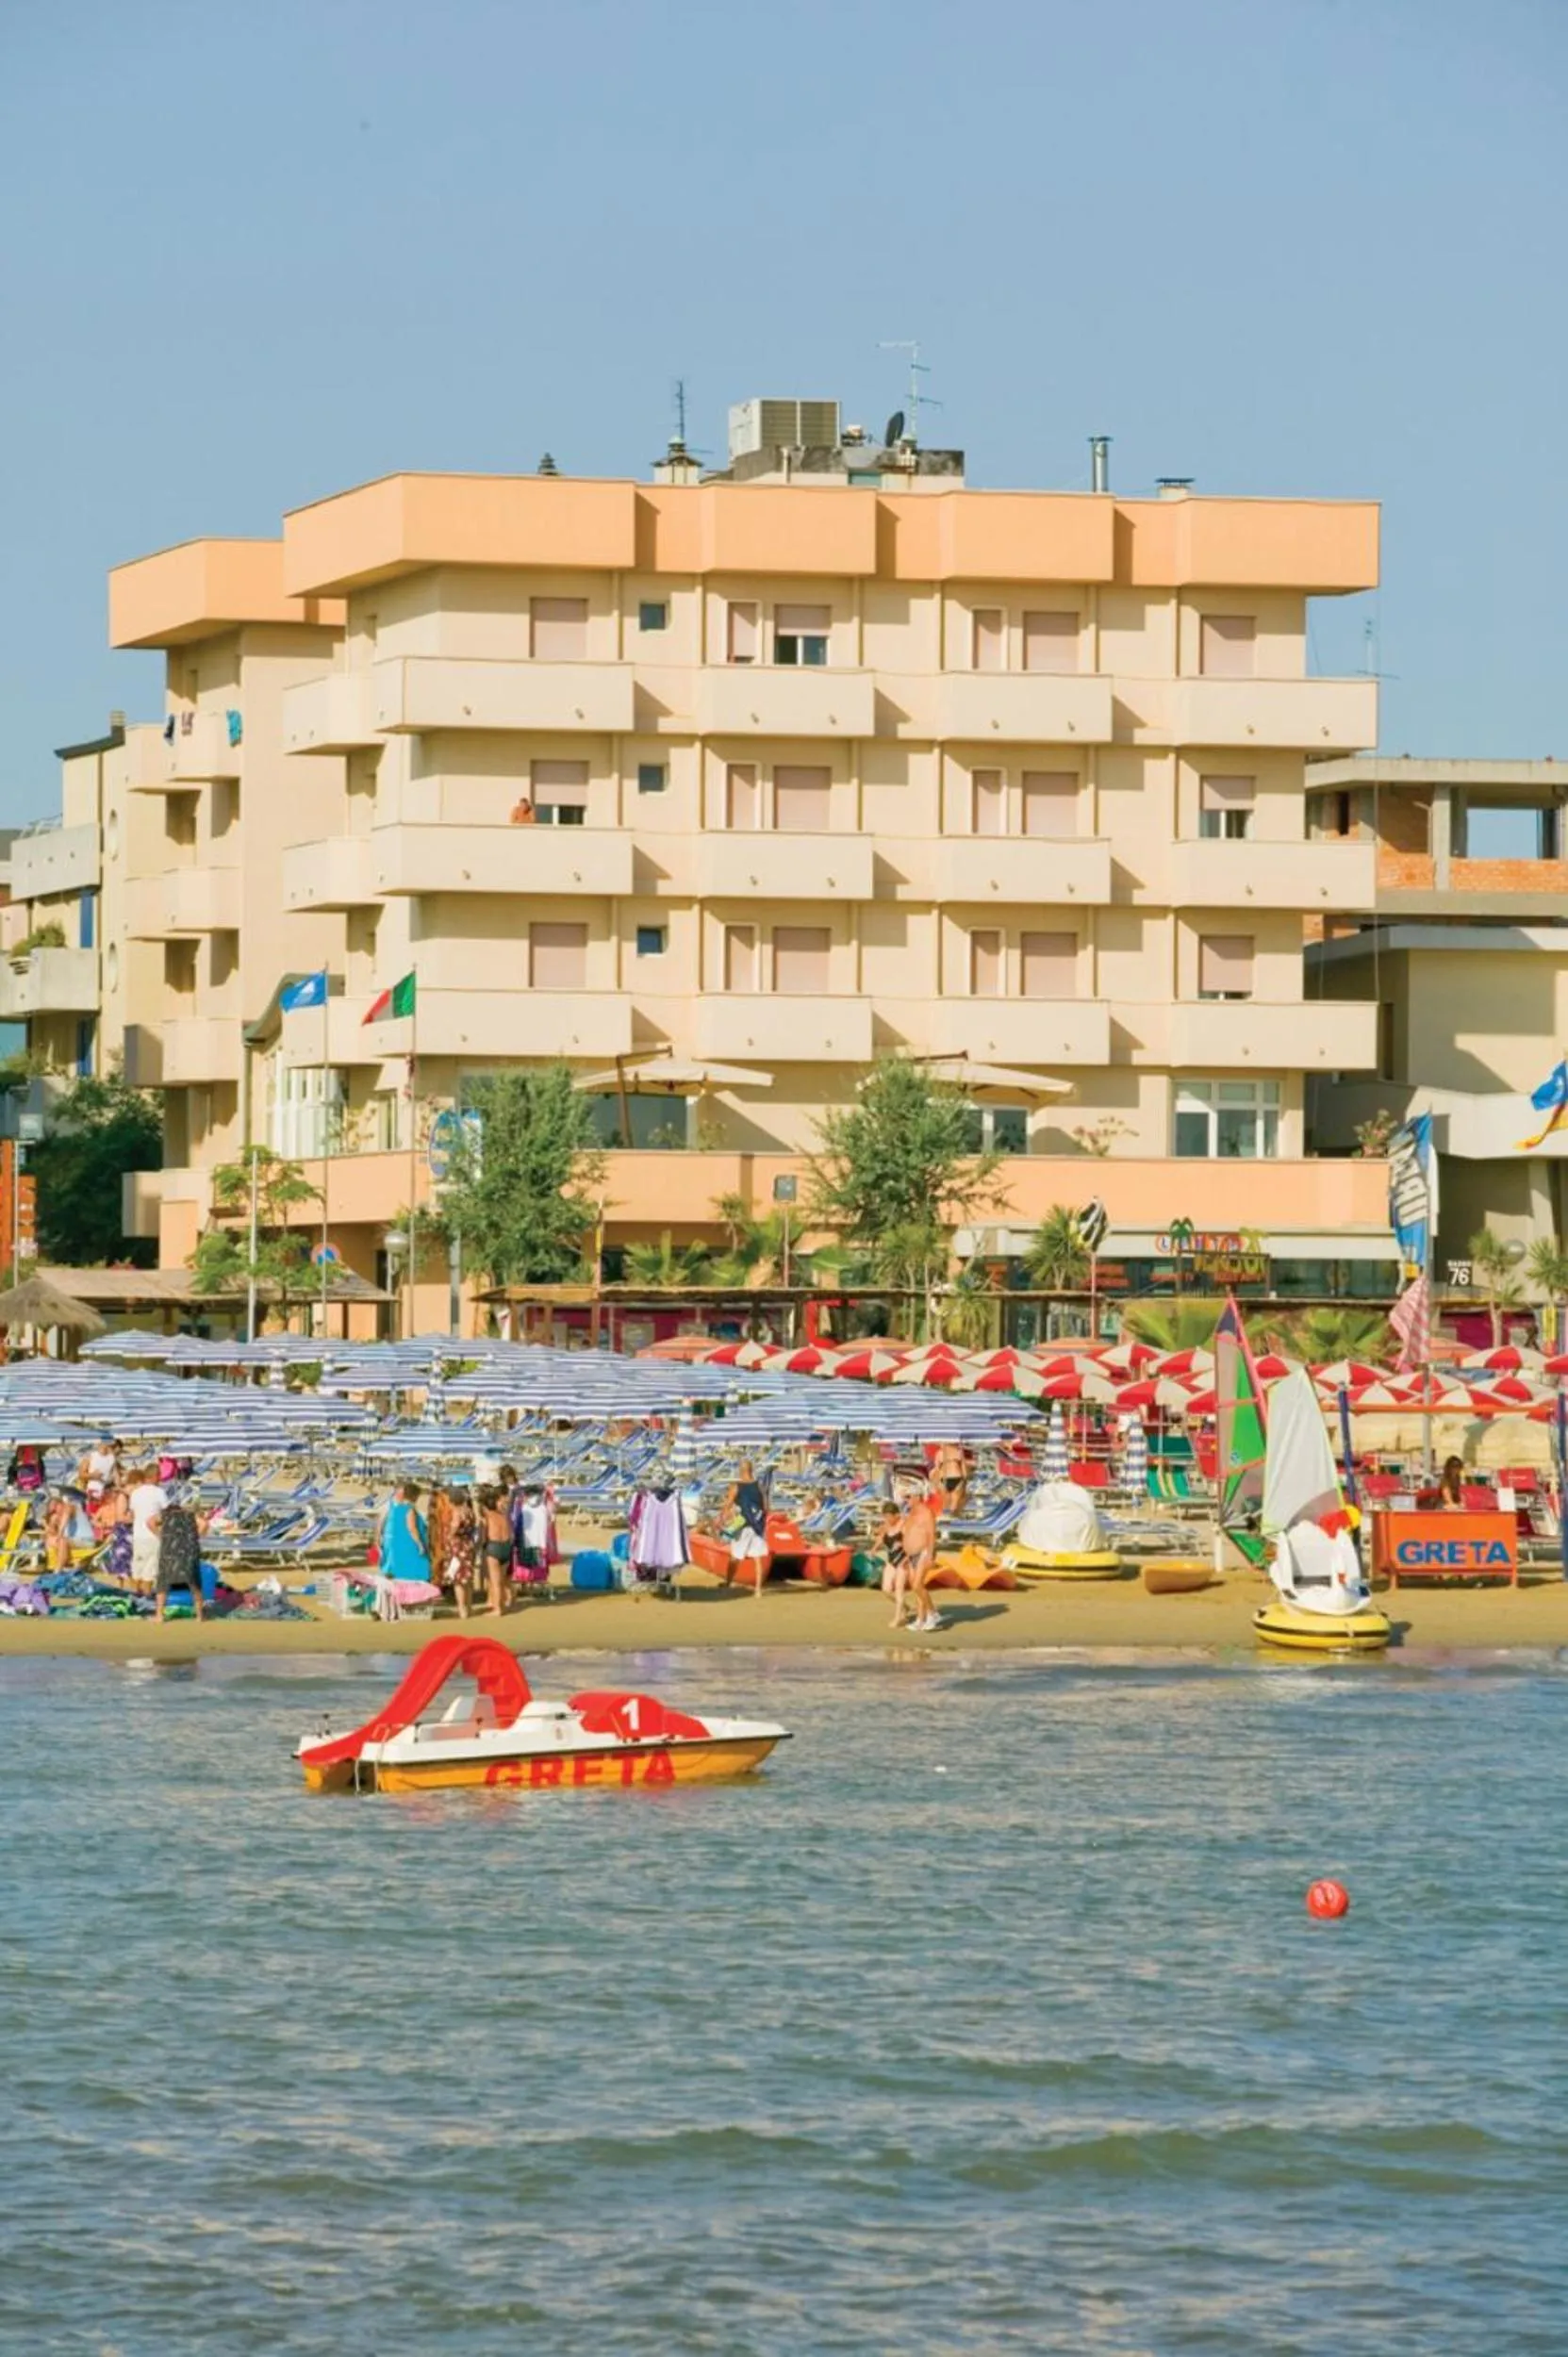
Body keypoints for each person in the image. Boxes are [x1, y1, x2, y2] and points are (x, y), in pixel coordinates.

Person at [154, 1496, 206, 1624]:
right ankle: (199, 1616)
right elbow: (204, 1524)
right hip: (188, 1550)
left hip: (169, 1550)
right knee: (193, 1582)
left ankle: (159, 1616)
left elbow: (149, 1522)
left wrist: (160, 1535)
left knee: (163, 1582)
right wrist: (195, 1536)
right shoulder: (189, 1515)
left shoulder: (165, 1515)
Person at [900, 1485, 943, 1635]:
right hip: (911, 1555)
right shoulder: (911, 1512)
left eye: (909, 1497)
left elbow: (931, 1535)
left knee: (917, 1585)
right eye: (906, 1497)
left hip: (924, 1552)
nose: (906, 1500)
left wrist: (930, 1554)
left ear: (918, 1497)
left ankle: (933, 1614)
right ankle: (920, 1619)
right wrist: (906, 1555)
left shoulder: (926, 1512)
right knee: (916, 1588)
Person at [721, 1458, 769, 1592]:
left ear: (740, 1470)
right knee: (757, 1558)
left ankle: (728, 1582)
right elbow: (765, 1507)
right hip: (758, 1525)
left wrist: (722, 1520)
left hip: (743, 1525)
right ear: (751, 1470)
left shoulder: (736, 1486)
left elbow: (727, 1505)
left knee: (735, 1557)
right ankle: (758, 1589)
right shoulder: (759, 1486)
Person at [378, 1481, 430, 1586]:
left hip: (397, 1541)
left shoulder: (395, 1507)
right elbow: (412, 1528)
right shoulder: (409, 1509)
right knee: (418, 1566)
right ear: (414, 1496)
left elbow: (381, 1523)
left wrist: (378, 1538)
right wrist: (420, 1544)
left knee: (399, 1568)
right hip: (408, 1542)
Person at [128, 1465, 168, 1595]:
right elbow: (166, 1513)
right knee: (150, 1572)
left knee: (137, 1569)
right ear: (155, 1476)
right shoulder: (159, 1492)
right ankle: (146, 1597)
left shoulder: (135, 1493)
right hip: (153, 1536)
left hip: (138, 1535)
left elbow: (133, 1514)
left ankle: (134, 1596)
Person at [479, 1486, 511, 1617]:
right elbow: (510, 1533)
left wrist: (481, 1547)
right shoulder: (503, 1516)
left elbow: (483, 1537)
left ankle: (498, 1609)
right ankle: (501, 1604)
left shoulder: (487, 1517)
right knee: (502, 1580)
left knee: (495, 1581)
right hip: (505, 1546)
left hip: (493, 1547)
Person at [933, 1442, 969, 1518]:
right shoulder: (958, 1451)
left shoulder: (940, 1453)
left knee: (946, 1500)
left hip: (944, 1477)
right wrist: (965, 1479)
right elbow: (963, 1466)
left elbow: (937, 1469)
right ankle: (952, 1512)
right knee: (954, 1500)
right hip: (956, 1475)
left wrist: (937, 1482)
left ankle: (947, 1513)